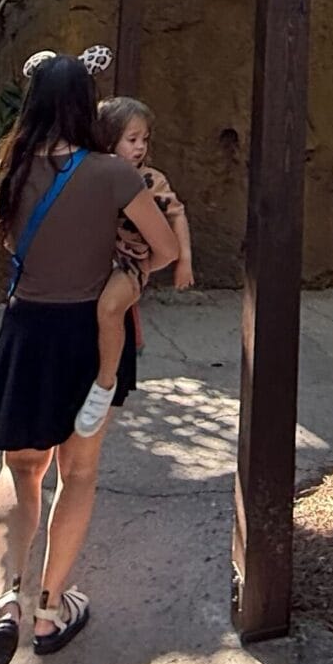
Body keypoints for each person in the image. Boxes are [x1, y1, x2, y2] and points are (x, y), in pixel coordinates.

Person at [0, 50, 176, 664]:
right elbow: (163, 248)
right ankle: (51, 610)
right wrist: (125, 274)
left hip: (27, 331)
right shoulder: (113, 173)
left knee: (19, 469)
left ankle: (6, 602)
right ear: (87, 106)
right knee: (76, 471)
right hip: (88, 334)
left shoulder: (11, 166)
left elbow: (7, 241)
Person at [77, 96, 192, 438]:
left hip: (131, 262)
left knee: (110, 309)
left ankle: (105, 384)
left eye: (144, 139)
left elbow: (177, 213)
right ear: (108, 137)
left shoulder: (151, 181)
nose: (140, 147)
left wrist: (183, 259)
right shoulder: (93, 171)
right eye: (132, 139)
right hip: (96, 257)